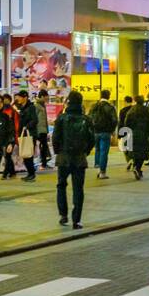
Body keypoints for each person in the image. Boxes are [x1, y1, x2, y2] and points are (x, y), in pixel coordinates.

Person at [51, 90, 94, 229]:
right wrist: (85, 152)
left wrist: (59, 152)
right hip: (80, 159)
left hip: (63, 158)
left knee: (61, 186)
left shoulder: (62, 118)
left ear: (68, 101)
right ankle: (77, 220)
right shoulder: (86, 120)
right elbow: (91, 140)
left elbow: (55, 138)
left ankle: (63, 215)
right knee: (78, 189)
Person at [88, 89, 120, 178]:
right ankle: (102, 172)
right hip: (106, 132)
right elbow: (114, 120)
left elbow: (89, 118)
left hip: (95, 132)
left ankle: (97, 165)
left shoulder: (94, 106)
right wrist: (112, 130)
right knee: (104, 152)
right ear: (108, 96)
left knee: (97, 149)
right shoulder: (110, 107)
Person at [125, 92, 149, 180]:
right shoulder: (146, 110)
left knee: (135, 152)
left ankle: (136, 167)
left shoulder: (131, 110)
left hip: (133, 134)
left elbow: (126, 123)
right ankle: (138, 168)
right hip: (143, 134)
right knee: (142, 153)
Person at [12, 90, 39, 182]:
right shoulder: (22, 107)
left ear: (25, 98)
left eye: (20, 97)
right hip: (23, 134)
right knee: (25, 154)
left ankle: (31, 174)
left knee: (28, 154)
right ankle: (30, 173)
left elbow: (35, 120)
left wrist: (26, 127)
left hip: (29, 134)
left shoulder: (31, 107)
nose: (18, 99)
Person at [34, 90, 53, 169]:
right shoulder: (36, 105)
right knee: (43, 146)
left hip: (43, 129)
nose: (47, 98)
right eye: (46, 96)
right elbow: (35, 118)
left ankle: (44, 162)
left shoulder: (42, 105)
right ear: (42, 96)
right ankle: (43, 163)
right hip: (39, 129)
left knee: (44, 146)